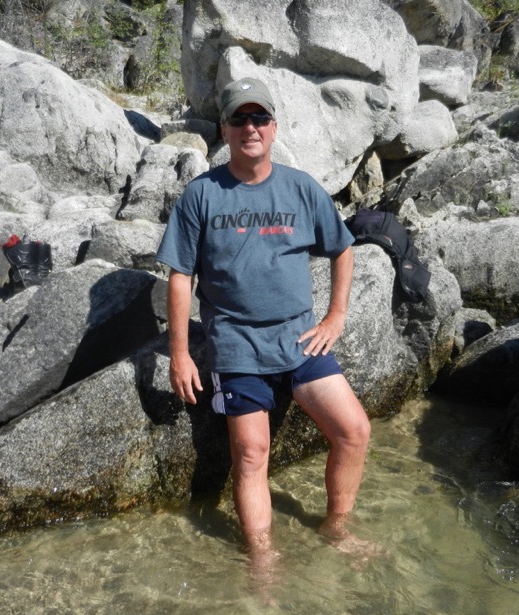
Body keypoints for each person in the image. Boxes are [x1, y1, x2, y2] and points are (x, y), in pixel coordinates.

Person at [155, 77, 371, 562]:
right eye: (239, 119)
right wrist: (180, 354)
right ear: (224, 130)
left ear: (273, 127)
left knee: (353, 430)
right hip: (236, 346)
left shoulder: (301, 188)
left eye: (259, 118)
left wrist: (336, 315)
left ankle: (337, 528)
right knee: (251, 453)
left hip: (300, 339)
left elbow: (342, 248)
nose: (250, 127)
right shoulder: (201, 196)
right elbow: (179, 277)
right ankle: (262, 557)